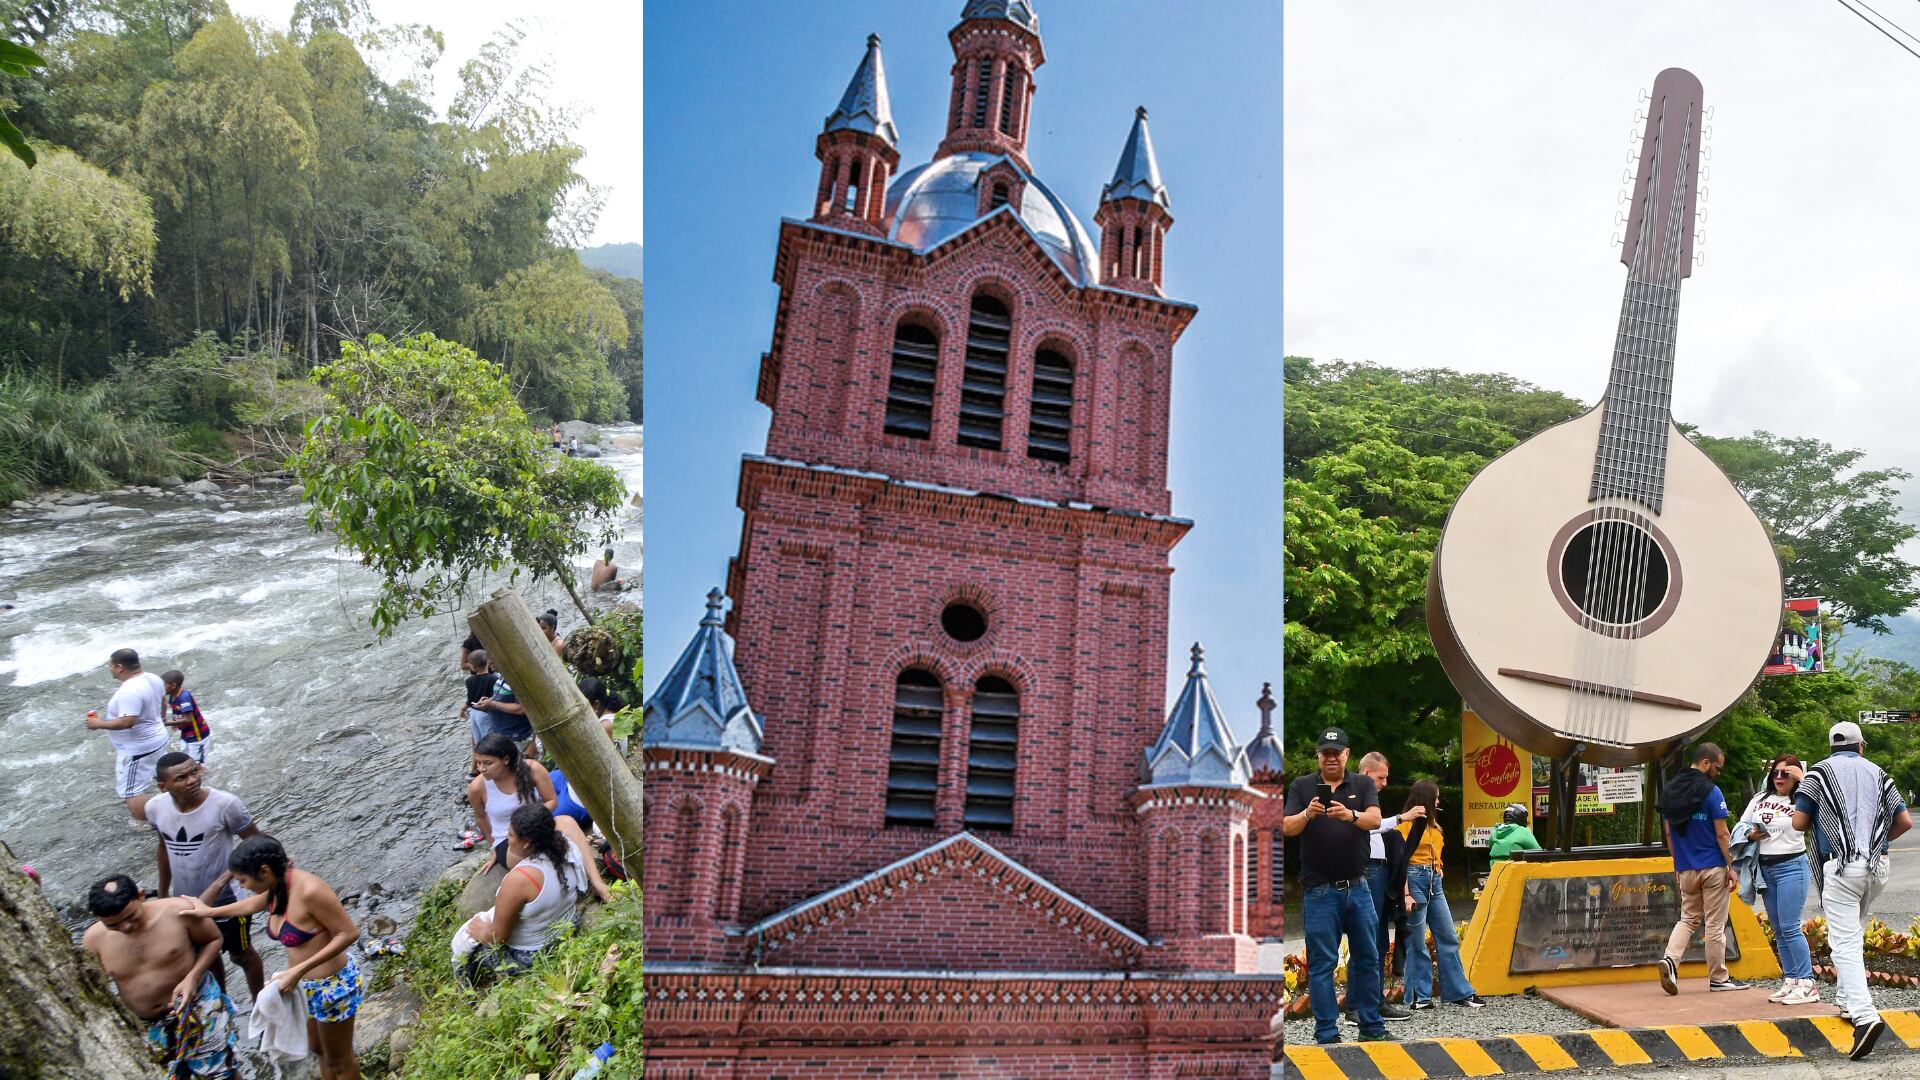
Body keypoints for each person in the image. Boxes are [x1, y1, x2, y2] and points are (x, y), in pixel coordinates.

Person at [184, 836, 364, 1080]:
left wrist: (299, 970)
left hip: (333, 987)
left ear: (264, 871)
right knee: (318, 1050)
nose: (243, 886)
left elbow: (348, 933)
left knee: (339, 1060)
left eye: (244, 880)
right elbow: (252, 905)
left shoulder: (310, 890)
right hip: (304, 987)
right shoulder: (277, 887)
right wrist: (210, 912)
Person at [1792, 721, 1913, 1060]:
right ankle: (1846, 1002)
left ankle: (1865, 1017)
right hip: (1877, 868)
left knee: (1843, 940)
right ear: (1862, 746)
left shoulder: (1818, 775)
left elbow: (1800, 823)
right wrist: (1873, 844)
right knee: (1854, 933)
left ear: (1830, 747)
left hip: (1842, 867)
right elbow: (1904, 822)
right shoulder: (1879, 773)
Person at [1282, 726, 1389, 1045]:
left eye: (1337, 752)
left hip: (1359, 887)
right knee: (1322, 964)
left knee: (1368, 957)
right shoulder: (1302, 786)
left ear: (1347, 754)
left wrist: (1349, 814)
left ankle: (1371, 1026)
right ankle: (1327, 1032)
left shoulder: (1362, 784)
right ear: (1318, 756)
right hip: (1319, 891)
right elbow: (1287, 827)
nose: (1331, 758)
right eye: (1325, 753)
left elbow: (1375, 820)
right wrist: (1307, 814)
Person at [83, 874, 240, 1079]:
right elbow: (94, 988)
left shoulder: (178, 911)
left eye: (130, 917)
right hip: (146, 1027)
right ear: (97, 917)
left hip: (198, 1008)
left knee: (221, 1073)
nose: (125, 928)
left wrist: (192, 977)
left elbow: (213, 939)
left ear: (140, 896)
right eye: (113, 925)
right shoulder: (93, 940)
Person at [150, 753, 266, 1002]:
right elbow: (163, 848)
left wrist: (223, 880)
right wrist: (162, 895)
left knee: (242, 954)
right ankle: (222, 1005)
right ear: (164, 786)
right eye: (181, 777)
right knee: (207, 956)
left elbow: (255, 844)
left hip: (229, 900)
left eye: (194, 772)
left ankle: (262, 1006)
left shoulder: (225, 804)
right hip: (185, 902)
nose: (192, 780)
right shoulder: (155, 808)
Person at [456, 803, 591, 984]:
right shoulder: (566, 848)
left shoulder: (520, 879)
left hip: (533, 954)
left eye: (510, 834)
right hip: (568, 927)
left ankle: (465, 990)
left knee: (462, 943)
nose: (507, 838)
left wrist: (481, 932)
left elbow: (498, 937)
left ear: (526, 842)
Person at [1653, 742, 1749, 996]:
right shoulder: (1711, 791)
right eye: (1717, 767)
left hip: (1686, 868)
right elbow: (1722, 833)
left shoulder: (1670, 791)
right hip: (1712, 867)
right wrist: (1732, 866)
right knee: (1715, 925)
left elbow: (1668, 834)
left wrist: (1678, 863)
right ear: (1706, 762)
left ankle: (1671, 959)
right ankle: (1718, 978)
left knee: (1688, 919)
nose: (1718, 772)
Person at [1734, 753, 1817, 1005]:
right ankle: (1791, 980)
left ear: (1796, 776)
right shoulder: (1760, 798)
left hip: (1791, 865)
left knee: (1791, 926)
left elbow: (1815, 819)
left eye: (1786, 773)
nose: (1779, 777)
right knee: (1779, 929)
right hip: (1765, 868)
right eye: (1776, 772)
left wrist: (1804, 782)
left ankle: (1807, 982)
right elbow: (1741, 824)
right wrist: (1749, 834)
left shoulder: (1802, 800)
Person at [1395, 780, 1486, 1009]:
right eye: (1435, 797)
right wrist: (1405, 893)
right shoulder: (1405, 826)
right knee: (1416, 941)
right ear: (1425, 798)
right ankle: (1419, 996)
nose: (1438, 801)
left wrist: (1440, 867)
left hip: (1434, 880)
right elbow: (1399, 861)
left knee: (1448, 936)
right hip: (1414, 878)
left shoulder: (1434, 826)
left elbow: (1438, 851)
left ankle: (1458, 992)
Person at [1352, 751, 1413, 1022]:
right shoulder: (1353, 796)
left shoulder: (1364, 797)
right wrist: (1401, 818)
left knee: (1376, 938)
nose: (1385, 783)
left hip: (1379, 868)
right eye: (1381, 777)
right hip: (1368, 868)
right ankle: (1361, 1004)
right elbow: (1367, 827)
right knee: (1368, 937)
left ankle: (1372, 1001)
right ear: (1366, 773)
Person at [86, 647, 172, 825]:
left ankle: (149, 826)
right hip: (157, 738)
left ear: (119, 667)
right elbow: (163, 701)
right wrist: (161, 718)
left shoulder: (129, 690)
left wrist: (98, 723)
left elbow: (128, 721)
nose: (108, 669)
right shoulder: (153, 678)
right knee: (160, 776)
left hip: (139, 748)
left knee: (131, 790)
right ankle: (176, 808)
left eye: (109, 665)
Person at [468, 732, 558, 873]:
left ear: (505, 759)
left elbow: (551, 800)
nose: (481, 769)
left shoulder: (532, 769)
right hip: (507, 839)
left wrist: (532, 824)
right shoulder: (477, 787)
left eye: (488, 763)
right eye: (478, 762)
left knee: (567, 823)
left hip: (540, 826)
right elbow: (480, 817)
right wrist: (493, 848)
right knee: (534, 865)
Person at [473, 658, 535, 749]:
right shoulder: (501, 677)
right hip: (502, 733)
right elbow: (502, 698)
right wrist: (488, 700)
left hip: (516, 735)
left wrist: (492, 704)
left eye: (492, 659)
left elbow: (520, 709)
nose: (489, 662)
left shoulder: (516, 680)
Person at [161, 670, 212, 764]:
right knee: (186, 761)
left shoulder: (184, 697)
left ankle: (204, 777)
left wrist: (165, 723)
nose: (161, 688)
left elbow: (188, 719)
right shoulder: (173, 695)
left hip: (198, 736)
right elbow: (175, 709)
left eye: (164, 685)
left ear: (173, 685)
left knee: (197, 765)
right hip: (187, 734)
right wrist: (174, 723)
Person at [462, 649, 498, 746]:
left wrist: (463, 709)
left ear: (472, 667)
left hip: (473, 713)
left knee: (478, 741)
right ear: (488, 663)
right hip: (485, 714)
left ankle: (479, 757)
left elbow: (470, 700)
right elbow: (496, 697)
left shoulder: (469, 681)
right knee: (489, 741)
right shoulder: (494, 679)